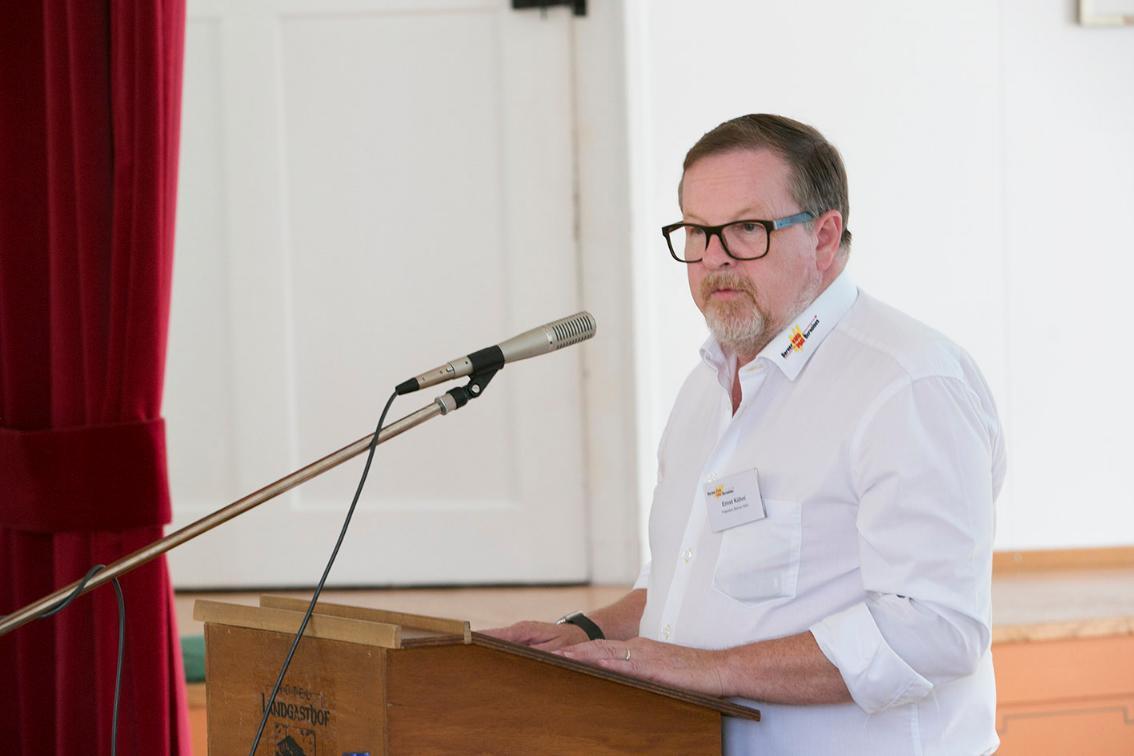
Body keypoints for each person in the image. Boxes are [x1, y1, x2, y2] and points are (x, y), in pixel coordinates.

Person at [486, 114, 1005, 755]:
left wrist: (710, 672)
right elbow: (682, 584)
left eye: (746, 229)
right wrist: (587, 633)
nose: (714, 258)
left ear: (823, 237)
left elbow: (935, 629)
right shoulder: (705, 386)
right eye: (697, 231)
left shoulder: (908, 384)